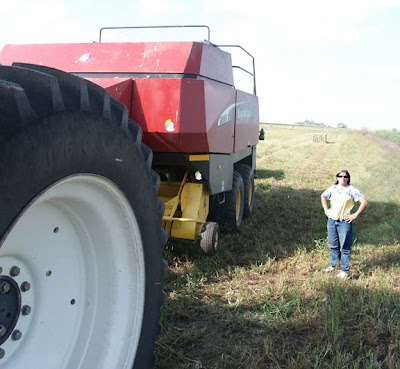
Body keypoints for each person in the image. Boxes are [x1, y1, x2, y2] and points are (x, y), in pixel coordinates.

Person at [320, 170, 368, 278]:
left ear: (348, 178)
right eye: (340, 176)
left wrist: (355, 215)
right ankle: (332, 265)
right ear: (337, 177)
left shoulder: (351, 190)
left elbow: (364, 201)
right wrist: (326, 210)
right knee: (333, 244)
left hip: (344, 222)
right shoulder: (332, 188)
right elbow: (323, 197)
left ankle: (344, 271)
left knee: (345, 247)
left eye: (345, 176)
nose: (343, 178)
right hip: (332, 220)